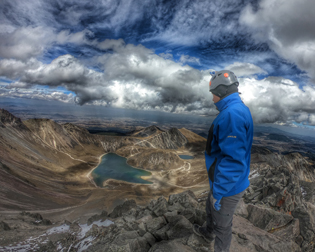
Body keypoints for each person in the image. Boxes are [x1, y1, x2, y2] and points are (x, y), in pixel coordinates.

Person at [193, 70, 253, 252]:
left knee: (223, 224)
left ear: (221, 92)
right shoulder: (238, 109)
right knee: (210, 209)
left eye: (213, 94)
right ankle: (207, 232)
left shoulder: (231, 115)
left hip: (228, 185)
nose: (212, 99)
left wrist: (219, 192)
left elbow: (233, 161)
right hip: (222, 178)